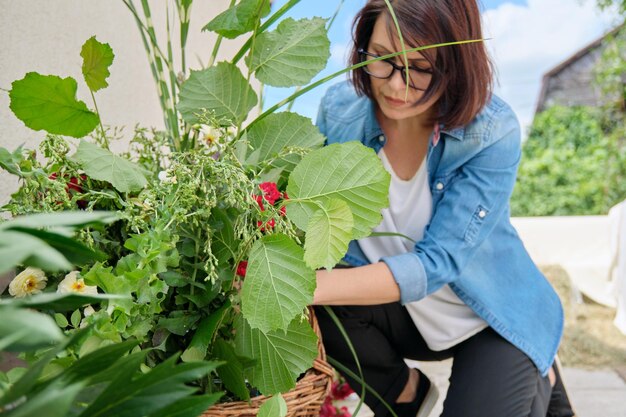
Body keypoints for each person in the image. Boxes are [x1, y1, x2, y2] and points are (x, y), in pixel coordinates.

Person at [311, 1, 575, 416]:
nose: (396, 86)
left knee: (317, 288)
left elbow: (437, 262)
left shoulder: (490, 130)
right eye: (381, 59)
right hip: (406, 318)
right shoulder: (339, 110)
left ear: (456, 62)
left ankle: (533, 362)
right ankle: (405, 394)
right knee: (329, 291)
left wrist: (304, 287)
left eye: (420, 67)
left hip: (491, 317)